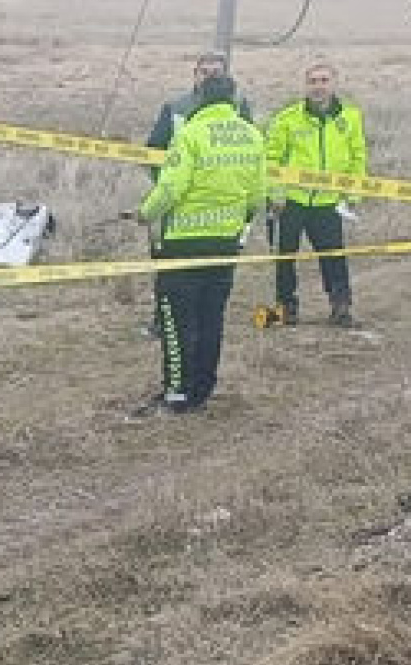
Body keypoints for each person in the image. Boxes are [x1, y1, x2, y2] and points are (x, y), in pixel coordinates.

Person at [132, 74, 266, 415]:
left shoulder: (190, 134)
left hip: (183, 244)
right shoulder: (252, 135)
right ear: (233, 99)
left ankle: (177, 393)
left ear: (200, 98)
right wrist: (236, 223)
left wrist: (145, 213)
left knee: (177, 321)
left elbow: (170, 189)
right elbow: (256, 195)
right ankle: (203, 390)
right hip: (225, 244)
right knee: (211, 319)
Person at [141, 52, 254, 338]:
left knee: (213, 281)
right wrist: (163, 187)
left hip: (225, 209)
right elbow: (153, 150)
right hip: (177, 206)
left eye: (216, 72)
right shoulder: (175, 107)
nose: (210, 77)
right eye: (205, 72)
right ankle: (163, 319)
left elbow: (252, 160)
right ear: (195, 75)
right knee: (169, 269)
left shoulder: (240, 109)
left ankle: (202, 322)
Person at [265, 60, 367, 326]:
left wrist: (352, 195)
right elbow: (272, 159)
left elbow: (357, 157)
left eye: (324, 80)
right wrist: (276, 194)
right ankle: (286, 307)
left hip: (328, 202)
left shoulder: (350, 117)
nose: (318, 86)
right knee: (286, 257)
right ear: (305, 85)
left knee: (333, 255)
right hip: (292, 201)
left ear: (334, 83)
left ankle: (340, 306)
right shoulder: (287, 119)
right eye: (313, 81)